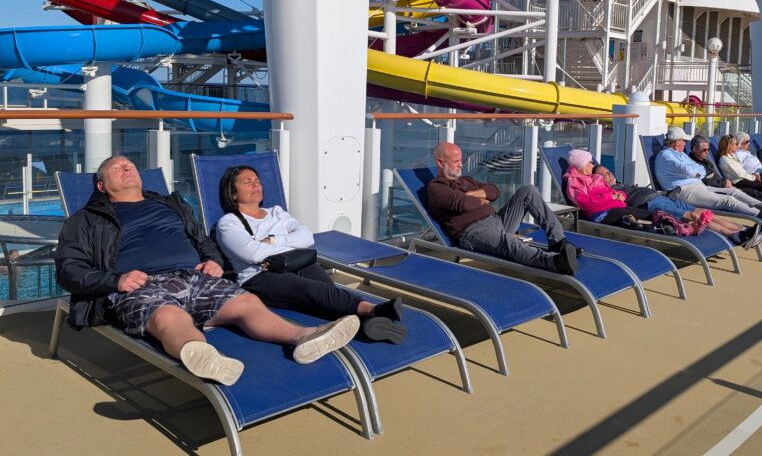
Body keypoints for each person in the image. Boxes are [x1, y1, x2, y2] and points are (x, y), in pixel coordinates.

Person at [55, 156, 360, 387]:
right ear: (101, 185)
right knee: (167, 317)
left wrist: (212, 259)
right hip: (142, 285)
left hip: (196, 277)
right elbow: (68, 270)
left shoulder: (170, 205)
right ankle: (203, 355)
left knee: (247, 303)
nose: (127, 168)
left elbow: (203, 241)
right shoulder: (85, 221)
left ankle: (304, 337)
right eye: (117, 168)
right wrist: (116, 280)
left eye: (130, 164)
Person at [216, 166, 407, 344]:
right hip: (259, 277)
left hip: (295, 263)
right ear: (233, 193)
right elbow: (254, 254)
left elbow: (307, 237)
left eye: (257, 180)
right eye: (247, 182)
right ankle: (374, 310)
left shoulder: (276, 212)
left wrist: (272, 240)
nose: (256, 184)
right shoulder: (229, 223)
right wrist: (288, 240)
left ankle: (367, 326)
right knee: (311, 291)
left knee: (327, 289)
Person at [426, 142, 580, 275]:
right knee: (509, 243)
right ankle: (555, 262)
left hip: (497, 220)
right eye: (456, 161)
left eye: (461, 160)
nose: (461, 164)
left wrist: (474, 195)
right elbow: (464, 204)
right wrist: (481, 198)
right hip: (473, 231)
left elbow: (494, 191)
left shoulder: (466, 180)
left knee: (528, 190)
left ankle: (558, 241)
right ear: (441, 163)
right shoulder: (436, 187)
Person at [589, 163, 762, 248]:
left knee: (705, 213)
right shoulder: (607, 191)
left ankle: (746, 230)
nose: (608, 174)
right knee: (696, 218)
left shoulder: (620, 183)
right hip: (651, 204)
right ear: (598, 179)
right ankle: (736, 236)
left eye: (608, 171)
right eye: (603, 174)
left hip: (663, 196)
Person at [653, 127, 762, 224]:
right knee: (727, 200)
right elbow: (689, 170)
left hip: (698, 185)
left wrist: (694, 171)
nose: (685, 143)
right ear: (676, 141)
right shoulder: (666, 155)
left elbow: (699, 170)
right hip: (683, 191)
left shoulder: (679, 154)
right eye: (683, 140)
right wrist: (693, 171)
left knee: (734, 191)